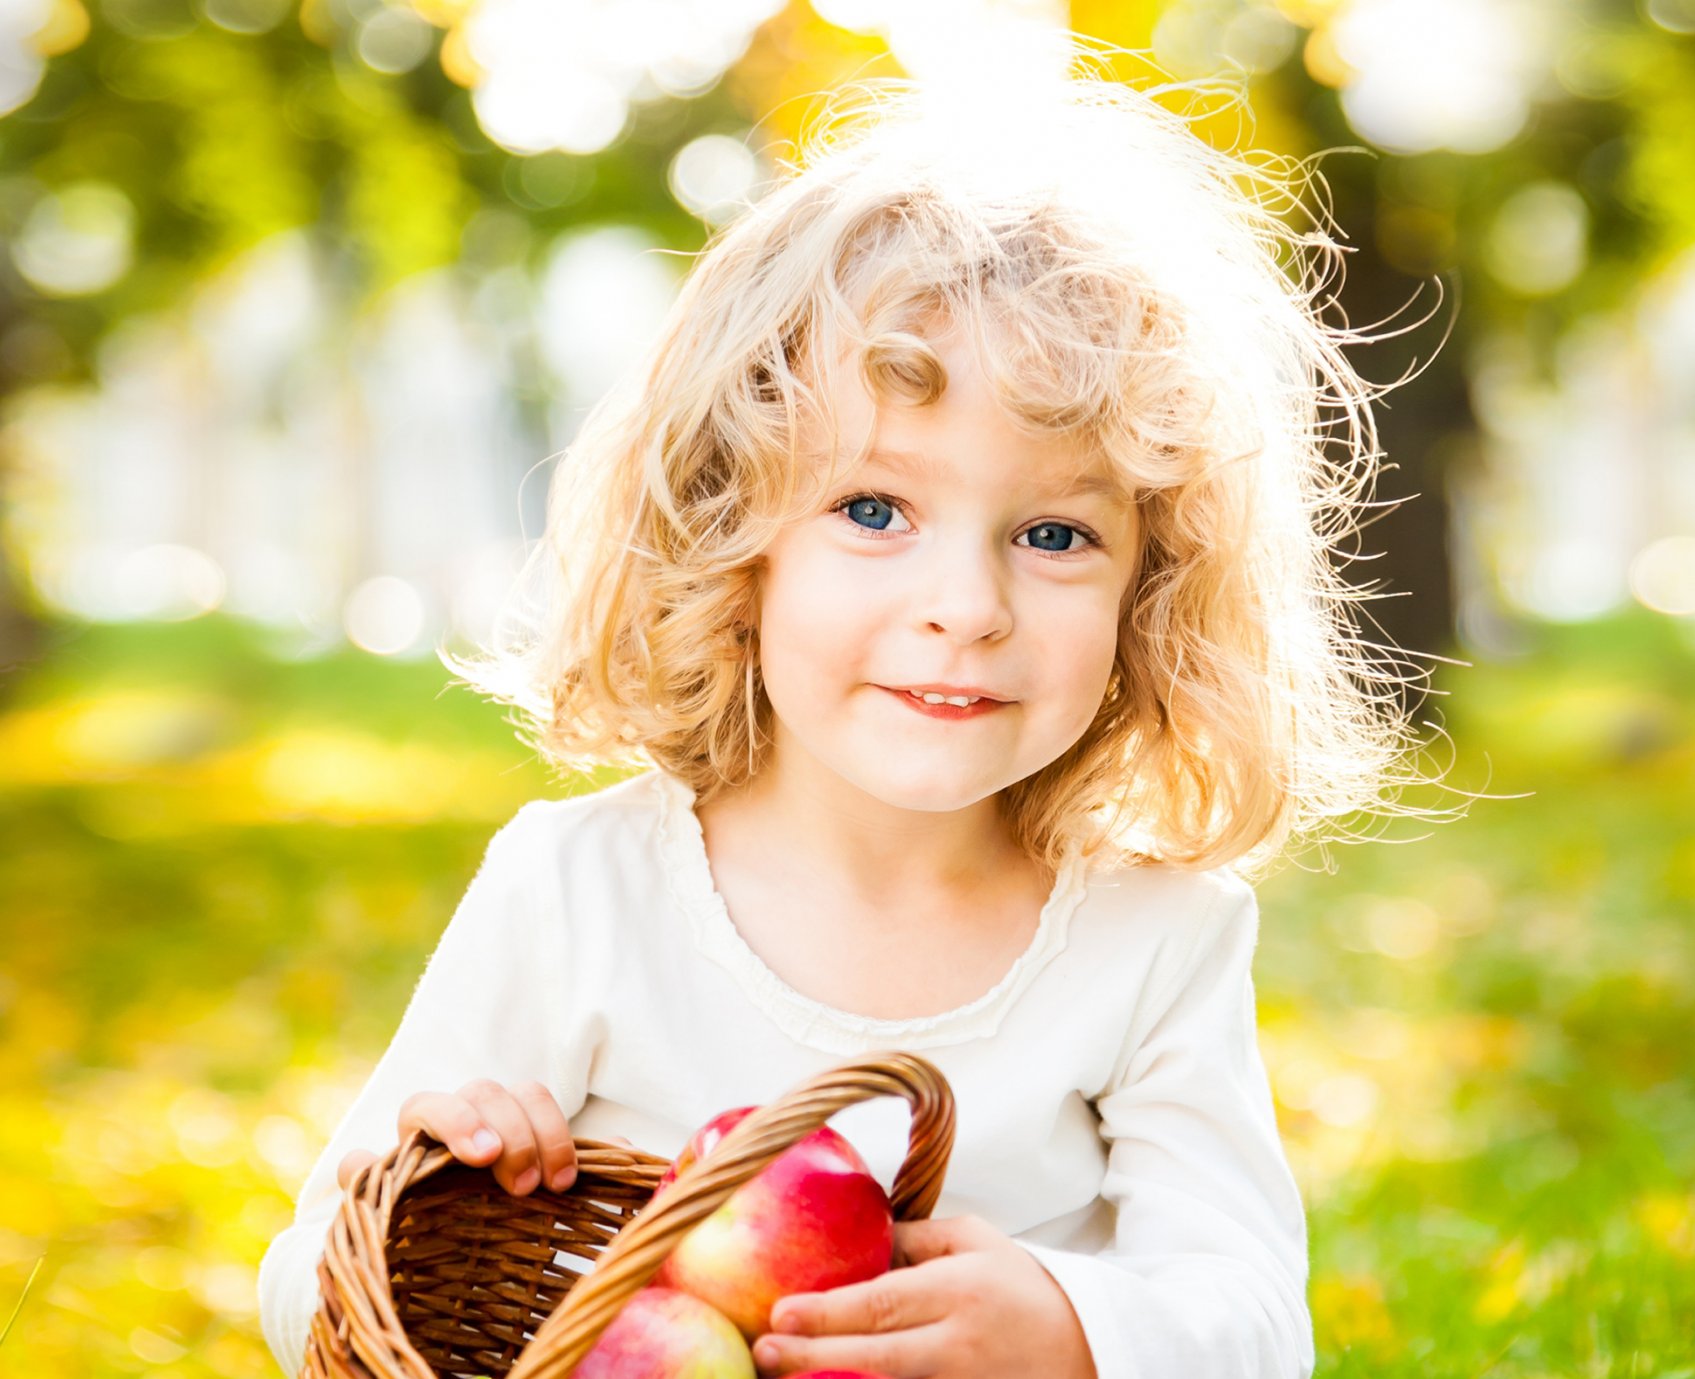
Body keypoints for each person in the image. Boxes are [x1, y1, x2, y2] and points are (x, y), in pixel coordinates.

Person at [257, 51, 1444, 1379]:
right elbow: (310, 1283)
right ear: (732, 539)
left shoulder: (1159, 940)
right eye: (873, 510)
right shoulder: (579, 888)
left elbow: (1257, 1326)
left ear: (1151, 593)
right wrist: (437, 1176)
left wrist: (1069, 1327)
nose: (968, 606)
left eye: (1055, 532)